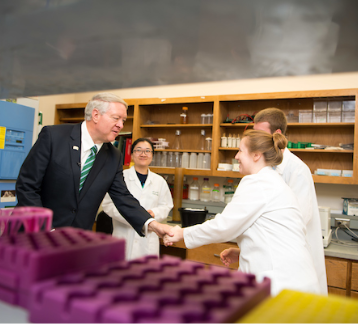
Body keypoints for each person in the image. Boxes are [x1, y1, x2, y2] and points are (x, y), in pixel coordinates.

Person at [164, 130, 320, 296]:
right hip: (296, 279)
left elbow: (224, 226)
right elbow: (277, 234)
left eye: (240, 151)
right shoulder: (275, 181)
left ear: (256, 155)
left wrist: (181, 233)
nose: (236, 156)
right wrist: (243, 251)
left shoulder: (257, 182)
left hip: (280, 283)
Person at [16, 93, 173, 239]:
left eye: (123, 120)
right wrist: (45, 228)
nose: (120, 125)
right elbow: (27, 186)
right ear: (96, 115)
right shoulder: (54, 136)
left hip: (75, 241)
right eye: (116, 118)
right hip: (33, 235)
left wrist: (152, 224)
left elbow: (123, 197)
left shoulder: (114, 156)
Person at [251, 107, 327, 295]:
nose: (255, 140)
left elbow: (298, 219)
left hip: (291, 260)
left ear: (277, 134)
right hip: (273, 258)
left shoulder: (296, 168)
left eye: (260, 134)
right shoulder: (267, 166)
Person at [102, 138, 173, 260]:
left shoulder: (159, 181)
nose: (143, 154)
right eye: (138, 150)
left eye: (147, 151)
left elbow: (166, 206)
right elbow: (108, 204)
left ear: (152, 155)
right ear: (132, 154)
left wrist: (153, 213)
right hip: (122, 235)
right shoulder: (120, 177)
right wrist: (133, 216)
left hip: (148, 241)